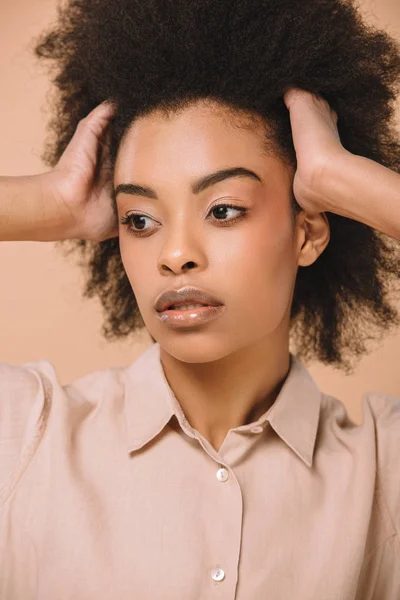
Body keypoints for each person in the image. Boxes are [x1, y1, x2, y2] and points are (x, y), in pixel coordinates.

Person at [1, 0, 400, 598]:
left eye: (222, 209)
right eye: (139, 219)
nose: (174, 253)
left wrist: (342, 179)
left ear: (308, 231)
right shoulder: (25, 435)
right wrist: (49, 203)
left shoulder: (383, 469)